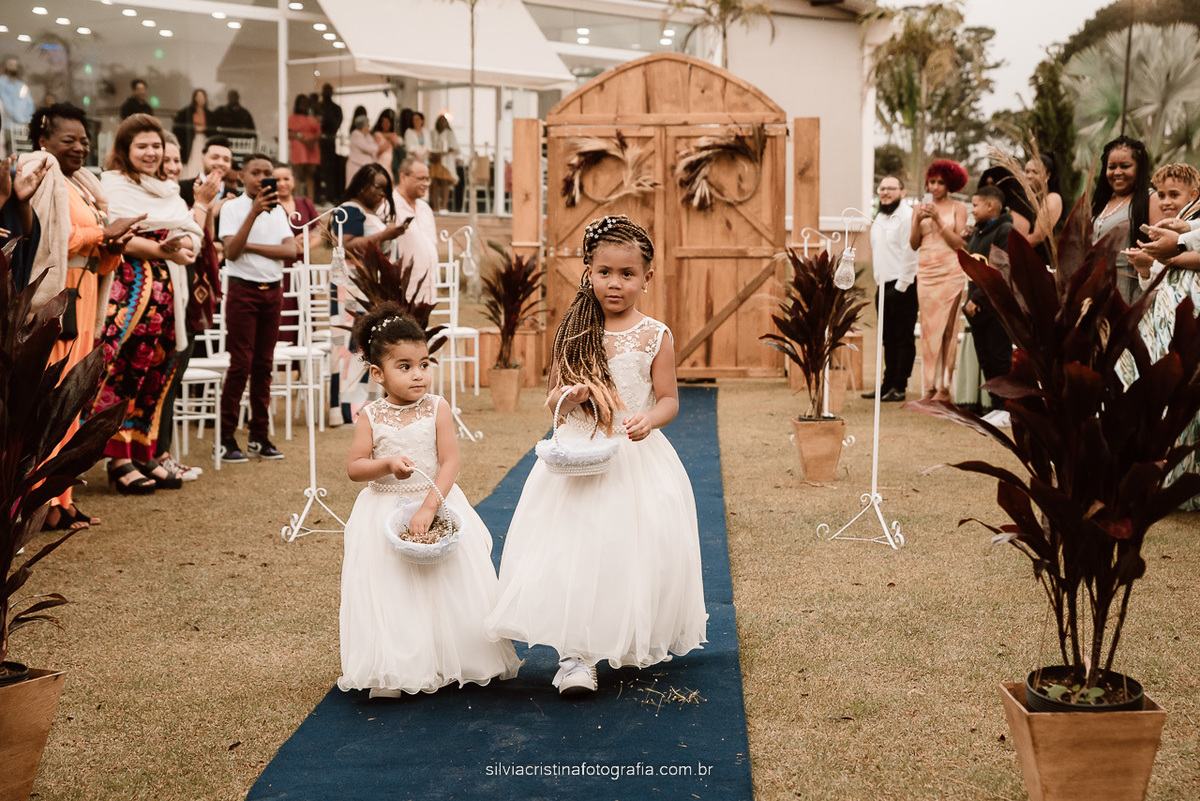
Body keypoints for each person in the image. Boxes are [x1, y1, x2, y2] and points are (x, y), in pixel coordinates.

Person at [484, 214, 708, 696]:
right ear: (588, 270)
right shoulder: (573, 330)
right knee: (575, 551)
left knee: (629, 552)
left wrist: (650, 418)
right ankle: (575, 657)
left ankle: (623, 637)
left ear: (647, 277)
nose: (615, 283)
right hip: (579, 457)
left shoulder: (655, 335)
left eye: (627, 274)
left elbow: (668, 398)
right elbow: (551, 398)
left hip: (633, 456)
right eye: (605, 271)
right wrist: (573, 396)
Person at [338, 304, 522, 697]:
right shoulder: (370, 414)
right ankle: (393, 668)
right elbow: (355, 467)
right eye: (404, 366)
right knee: (393, 588)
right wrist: (385, 464)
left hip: (435, 501)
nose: (418, 374)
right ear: (377, 373)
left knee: (445, 585)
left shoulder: (437, 408)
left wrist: (429, 506)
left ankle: (454, 657)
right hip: (383, 511)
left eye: (424, 363)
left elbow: (451, 461)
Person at [20, 104, 140, 525]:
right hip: (55, 297)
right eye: (68, 139)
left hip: (86, 293)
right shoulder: (36, 172)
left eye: (84, 140)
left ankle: (62, 499)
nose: (79, 147)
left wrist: (113, 244)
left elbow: (90, 244)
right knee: (51, 400)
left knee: (73, 399)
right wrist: (100, 234)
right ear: (43, 140)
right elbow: (44, 237)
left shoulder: (82, 183)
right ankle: (40, 503)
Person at [84, 113, 202, 494]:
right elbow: (115, 235)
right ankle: (118, 459)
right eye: (142, 146)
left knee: (156, 370)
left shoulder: (166, 188)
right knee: (124, 371)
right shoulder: (113, 185)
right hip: (130, 292)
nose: (151, 153)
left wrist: (177, 247)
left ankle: (142, 450)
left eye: (156, 146)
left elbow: (190, 235)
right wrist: (160, 248)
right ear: (125, 149)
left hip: (166, 292)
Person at [1120, 163, 1200, 510]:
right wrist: (1144, 266)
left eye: (1174, 194)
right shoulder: (1170, 225)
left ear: (1193, 195)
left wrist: (1171, 254)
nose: (1166, 201)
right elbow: (1155, 281)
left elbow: (1184, 258)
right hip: (1164, 311)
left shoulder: (1189, 222)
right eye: (1161, 195)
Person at [218, 152, 299, 463]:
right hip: (243, 292)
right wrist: (252, 213)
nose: (262, 177)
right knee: (241, 365)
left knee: (264, 365)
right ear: (242, 176)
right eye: (256, 172)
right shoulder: (233, 209)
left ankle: (259, 436)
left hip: (272, 293)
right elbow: (232, 253)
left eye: (268, 172)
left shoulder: (278, 210)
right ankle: (226, 438)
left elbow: (289, 250)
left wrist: (250, 246)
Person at [909, 158, 968, 403]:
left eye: (940, 182)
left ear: (949, 184)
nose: (935, 187)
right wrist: (917, 221)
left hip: (951, 271)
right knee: (929, 329)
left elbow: (959, 244)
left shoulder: (958, 208)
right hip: (926, 271)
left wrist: (937, 220)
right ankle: (929, 387)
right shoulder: (918, 208)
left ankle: (945, 388)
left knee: (948, 330)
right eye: (931, 182)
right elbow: (913, 244)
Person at [963, 184, 1014, 423]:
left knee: (999, 356)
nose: (972, 210)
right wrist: (969, 300)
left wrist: (978, 298)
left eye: (975, 205)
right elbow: (974, 268)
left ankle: (1006, 408)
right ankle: (995, 405)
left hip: (995, 308)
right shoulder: (979, 231)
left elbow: (1000, 268)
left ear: (990, 205)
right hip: (977, 310)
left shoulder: (1004, 229)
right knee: (985, 358)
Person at [865, 175, 918, 403]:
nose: (885, 192)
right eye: (882, 188)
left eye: (891, 189)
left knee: (903, 338)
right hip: (883, 284)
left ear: (902, 192)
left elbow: (911, 251)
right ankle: (886, 384)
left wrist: (901, 286)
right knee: (887, 339)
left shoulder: (906, 217)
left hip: (903, 285)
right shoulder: (880, 217)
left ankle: (899, 386)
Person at [1091, 135, 1150, 306]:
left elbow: (1160, 251)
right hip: (1094, 295)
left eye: (1125, 166)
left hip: (1127, 297)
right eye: (1111, 167)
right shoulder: (1101, 203)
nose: (1117, 172)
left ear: (1139, 168)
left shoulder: (1149, 199)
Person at [392, 157, 437, 305]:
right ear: (403, 177)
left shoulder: (425, 209)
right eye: (421, 178)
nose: (426, 183)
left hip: (426, 296)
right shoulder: (390, 207)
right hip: (402, 295)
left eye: (428, 179)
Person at [1025, 153, 1063, 262]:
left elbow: (1037, 236)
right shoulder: (1024, 198)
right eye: (1027, 171)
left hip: (1039, 263)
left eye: (1035, 172)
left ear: (1048, 175)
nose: (1029, 176)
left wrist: (1008, 251)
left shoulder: (1053, 198)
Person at [287, 94, 320, 202]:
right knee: (298, 174)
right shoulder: (293, 117)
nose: (304, 106)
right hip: (299, 147)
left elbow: (318, 133)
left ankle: (310, 201)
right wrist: (303, 140)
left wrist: (310, 141)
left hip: (311, 148)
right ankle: (296, 200)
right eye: (302, 103)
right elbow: (290, 133)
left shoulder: (312, 118)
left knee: (310, 175)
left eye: (306, 103)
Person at [0, 57, 34, 156]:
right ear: (5, 66)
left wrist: (28, 120)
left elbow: (29, 104)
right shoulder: (1, 83)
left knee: (24, 156)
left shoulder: (21, 85)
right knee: (11, 156)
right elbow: (6, 105)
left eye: (15, 65)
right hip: (8, 127)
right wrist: (21, 119)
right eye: (10, 64)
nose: (13, 67)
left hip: (22, 128)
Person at [172, 88, 210, 177]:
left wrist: (204, 129)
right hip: (191, 141)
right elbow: (179, 128)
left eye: (202, 97)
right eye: (198, 97)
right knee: (192, 160)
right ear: (194, 98)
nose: (200, 99)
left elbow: (211, 128)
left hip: (203, 140)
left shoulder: (209, 114)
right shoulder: (187, 113)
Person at [317, 83, 342, 204]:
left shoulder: (335, 108)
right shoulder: (318, 106)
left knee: (330, 170)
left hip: (329, 142)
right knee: (317, 170)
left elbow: (335, 124)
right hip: (317, 143)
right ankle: (318, 196)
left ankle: (329, 196)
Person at [428, 114, 459, 213]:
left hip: (445, 161)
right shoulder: (432, 133)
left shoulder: (449, 133)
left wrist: (442, 153)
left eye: (444, 121)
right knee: (434, 183)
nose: (442, 123)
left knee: (444, 182)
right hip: (435, 160)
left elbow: (454, 147)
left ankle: (444, 206)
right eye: (440, 121)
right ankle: (435, 207)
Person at [345, 112, 374, 188]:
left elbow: (375, 147)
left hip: (364, 167)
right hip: (355, 166)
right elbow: (369, 148)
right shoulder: (356, 134)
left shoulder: (367, 136)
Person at [371, 109, 399, 175]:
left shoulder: (394, 135)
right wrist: (389, 138)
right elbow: (378, 151)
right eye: (384, 122)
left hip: (391, 166)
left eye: (388, 122)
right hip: (380, 164)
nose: (385, 124)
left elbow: (397, 147)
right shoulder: (377, 134)